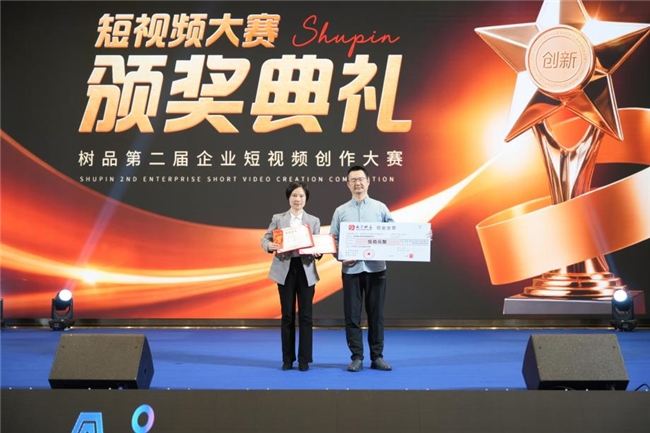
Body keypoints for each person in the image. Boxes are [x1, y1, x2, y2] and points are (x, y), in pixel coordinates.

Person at [329, 165, 394, 372]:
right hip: (351, 271)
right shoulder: (341, 211)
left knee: (376, 315)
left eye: (361, 179)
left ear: (368, 181)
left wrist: (421, 237)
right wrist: (341, 257)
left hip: (376, 269)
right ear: (347, 184)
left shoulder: (380, 208)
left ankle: (377, 357)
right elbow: (333, 240)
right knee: (352, 315)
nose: (357, 183)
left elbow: (396, 234)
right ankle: (357, 357)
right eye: (353, 180)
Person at [261, 181, 321, 372]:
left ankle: (304, 359)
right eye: (294, 195)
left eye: (301, 196)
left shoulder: (313, 221)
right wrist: (269, 245)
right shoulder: (278, 218)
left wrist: (318, 251)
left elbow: (318, 244)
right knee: (287, 315)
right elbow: (266, 238)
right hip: (285, 269)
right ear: (289, 197)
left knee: (306, 316)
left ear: (306, 198)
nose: (298, 199)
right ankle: (287, 358)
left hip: (306, 270)